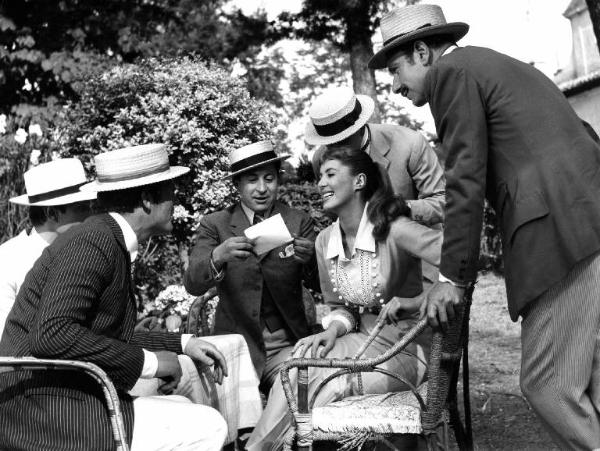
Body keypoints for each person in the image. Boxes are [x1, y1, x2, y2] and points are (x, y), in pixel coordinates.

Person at [369, 4, 600, 449]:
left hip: (561, 235)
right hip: (586, 220)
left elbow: (465, 178)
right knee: (592, 380)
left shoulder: (452, 74)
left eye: (396, 69)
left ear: (422, 52)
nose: (395, 85)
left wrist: (453, 275)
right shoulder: (493, 65)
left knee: (547, 385)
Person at [0, 144, 228, 451]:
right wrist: (150, 364)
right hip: (48, 417)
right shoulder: (93, 241)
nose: (176, 202)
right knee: (210, 426)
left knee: (184, 407)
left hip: (62, 401)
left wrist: (182, 344)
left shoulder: (106, 238)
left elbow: (97, 335)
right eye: (170, 192)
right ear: (147, 200)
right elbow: (52, 335)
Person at [246, 145, 443, 450]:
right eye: (319, 176)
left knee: (325, 385)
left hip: (406, 348)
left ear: (359, 181)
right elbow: (341, 308)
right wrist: (332, 331)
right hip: (360, 342)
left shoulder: (394, 229)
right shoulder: (326, 240)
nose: (320, 183)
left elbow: (462, 262)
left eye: (330, 174)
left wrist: (417, 302)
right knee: (298, 366)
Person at [184, 140, 319, 392]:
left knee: (293, 392)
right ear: (237, 185)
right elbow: (192, 284)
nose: (262, 188)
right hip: (235, 347)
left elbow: (321, 284)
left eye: (269, 179)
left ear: (279, 180)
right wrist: (217, 255)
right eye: (251, 180)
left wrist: (310, 259)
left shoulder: (298, 221)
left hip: (287, 345)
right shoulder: (216, 224)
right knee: (230, 413)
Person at [307, 86, 445, 226]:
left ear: (360, 127)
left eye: (343, 140)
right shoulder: (320, 159)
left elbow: (442, 200)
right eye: (329, 144)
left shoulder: (410, 143)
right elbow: (334, 212)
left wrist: (402, 208)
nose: (336, 150)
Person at [0, 158, 96, 336]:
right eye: (81, 208)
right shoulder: (8, 261)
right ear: (52, 213)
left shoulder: (87, 252)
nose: (90, 214)